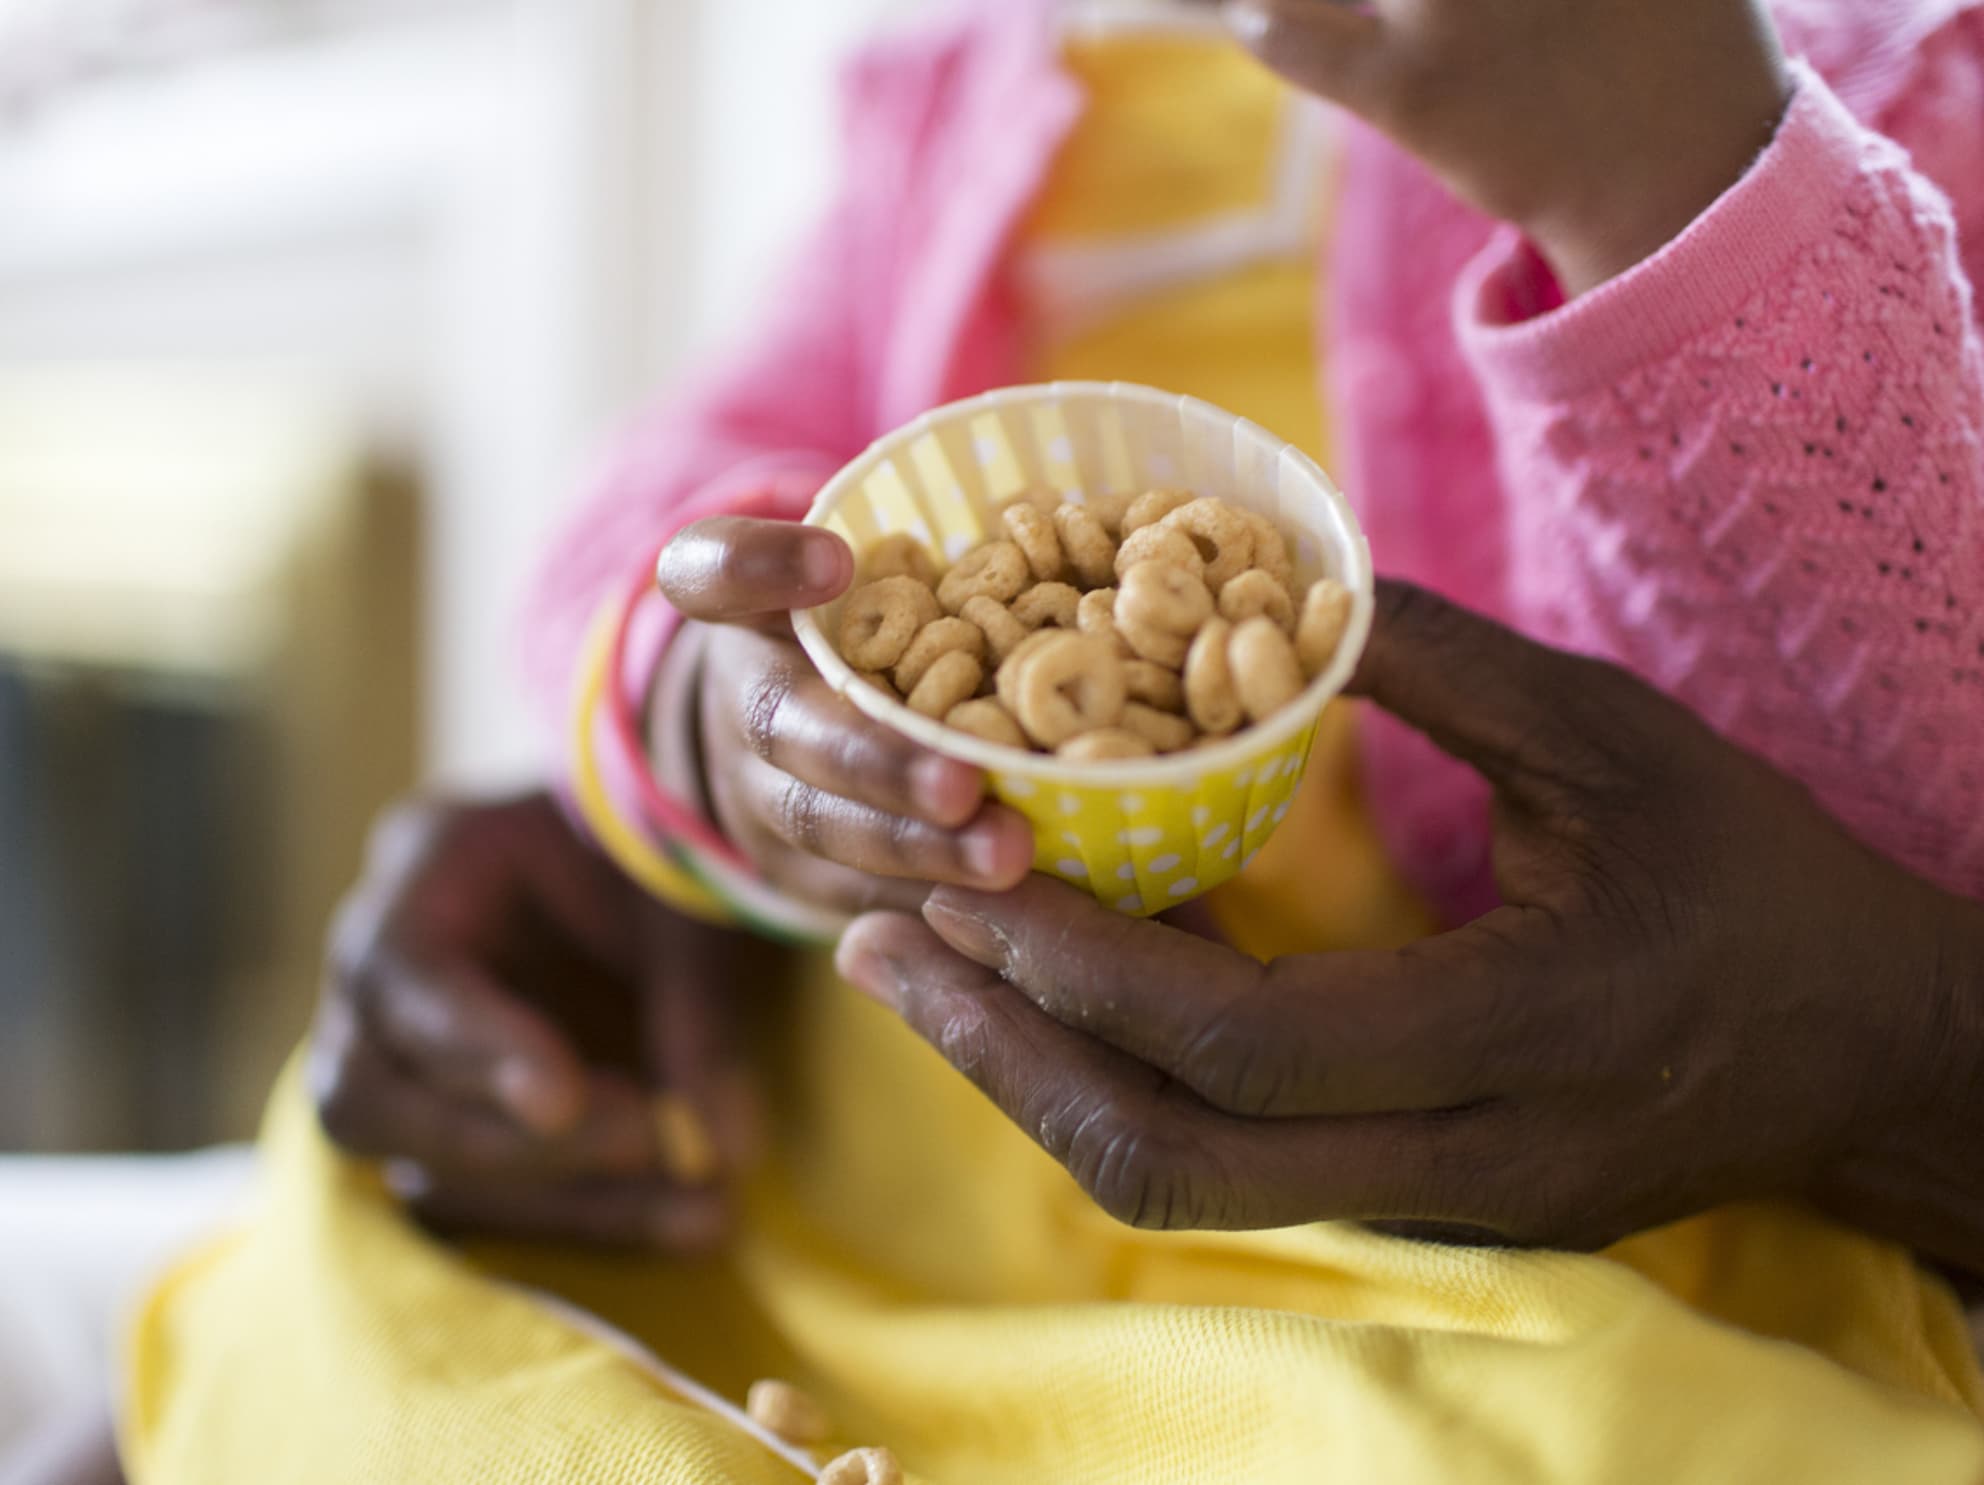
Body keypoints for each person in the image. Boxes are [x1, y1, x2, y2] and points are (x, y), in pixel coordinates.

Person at [121, 0, 1984, 1480]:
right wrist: (720, 719)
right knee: (350, 1345)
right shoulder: (987, 79)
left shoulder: (1867, 70)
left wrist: (1670, 172)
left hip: (1515, 1199)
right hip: (935, 1089)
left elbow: (1912, 792)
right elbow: (671, 496)